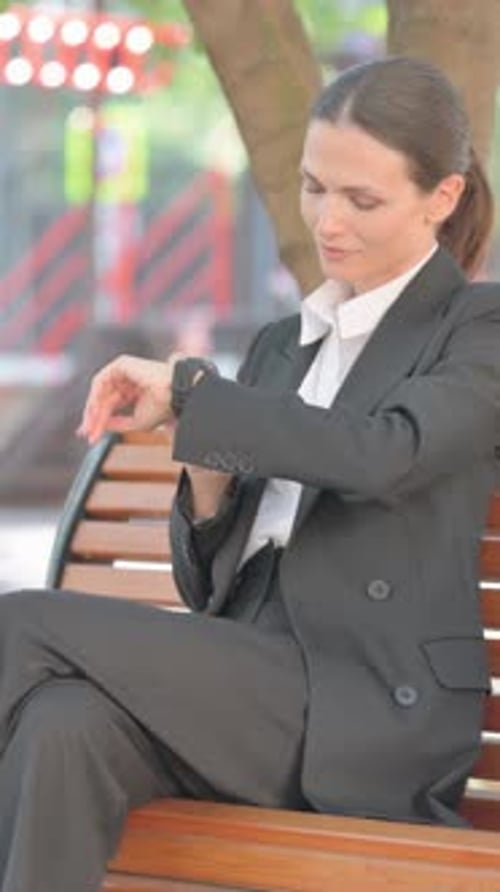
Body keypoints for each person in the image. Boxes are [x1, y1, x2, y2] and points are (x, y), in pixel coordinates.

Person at [0, 55, 498, 892]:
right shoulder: (280, 345)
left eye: (361, 198)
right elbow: (210, 592)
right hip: (249, 686)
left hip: (367, 702)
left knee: (19, 624)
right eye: (313, 187)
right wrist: (206, 479)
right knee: (63, 724)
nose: (326, 220)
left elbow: (385, 452)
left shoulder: (477, 328)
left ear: (440, 199)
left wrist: (197, 395)